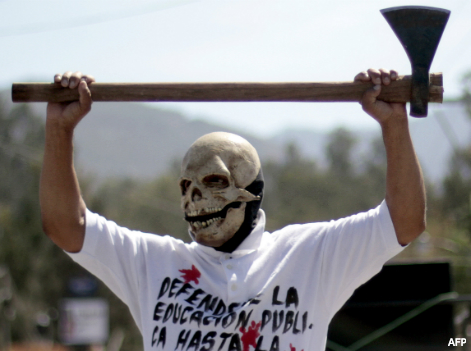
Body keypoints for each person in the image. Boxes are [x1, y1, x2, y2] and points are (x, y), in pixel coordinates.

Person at [39, 69, 425, 351]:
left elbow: (404, 221)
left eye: (214, 183)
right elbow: (65, 226)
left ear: (252, 192)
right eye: (186, 187)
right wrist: (60, 130)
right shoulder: (151, 263)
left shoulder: (310, 255)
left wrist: (394, 124)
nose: (194, 201)